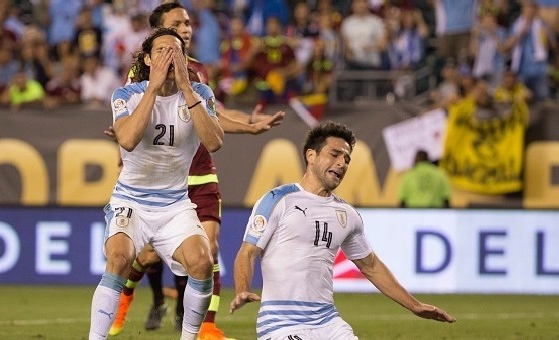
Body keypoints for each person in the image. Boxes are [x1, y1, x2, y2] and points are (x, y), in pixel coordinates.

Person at [107, 2, 285, 339]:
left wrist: (249, 123)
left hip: (199, 171)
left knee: (208, 249)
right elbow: (135, 118)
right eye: (178, 23)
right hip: (156, 180)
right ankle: (126, 297)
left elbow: (213, 113)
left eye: (187, 23)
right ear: (158, 29)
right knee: (145, 256)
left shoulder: (196, 73)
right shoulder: (140, 75)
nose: (186, 28)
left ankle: (205, 327)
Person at [229, 121, 456, 340]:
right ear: (311, 156)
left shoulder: (347, 215)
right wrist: (242, 289)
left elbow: (371, 266)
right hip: (281, 322)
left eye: (347, 159)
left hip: (328, 322)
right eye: (335, 154)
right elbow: (247, 253)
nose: (342, 163)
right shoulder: (277, 200)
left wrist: (414, 306)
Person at [88, 27, 224, 340]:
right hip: (131, 201)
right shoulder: (127, 95)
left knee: (203, 263)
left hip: (175, 204)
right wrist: (153, 89)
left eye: (175, 50)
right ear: (148, 59)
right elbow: (127, 139)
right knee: (120, 259)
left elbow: (215, 142)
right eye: (161, 50)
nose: (168, 55)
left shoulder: (201, 94)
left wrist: (188, 90)